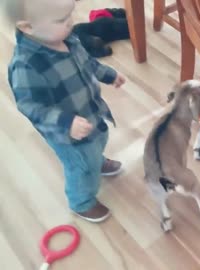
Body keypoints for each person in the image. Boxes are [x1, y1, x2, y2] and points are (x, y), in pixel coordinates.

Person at [3, 0, 125, 223]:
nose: (70, 23)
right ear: (27, 26)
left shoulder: (67, 38)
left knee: (99, 140)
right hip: (67, 133)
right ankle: (82, 202)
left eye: (70, 15)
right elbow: (30, 106)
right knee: (81, 166)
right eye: (61, 19)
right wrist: (67, 122)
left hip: (91, 112)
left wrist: (108, 74)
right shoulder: (26, 65)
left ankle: (97, 160)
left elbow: (88, 62)